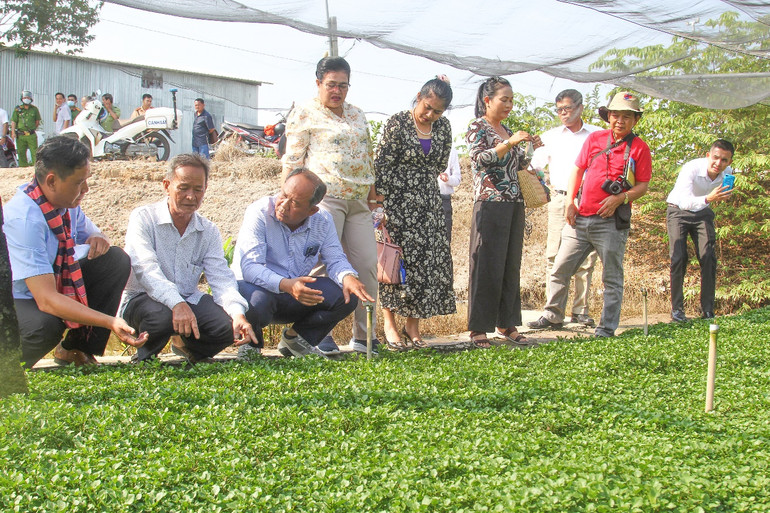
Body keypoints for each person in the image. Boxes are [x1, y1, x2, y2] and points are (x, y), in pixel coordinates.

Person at [2, 136, 147, 368]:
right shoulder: (25, 219)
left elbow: (96, 236)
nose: (86, 189)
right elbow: (47, 299)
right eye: (80, 182)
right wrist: (109, 321)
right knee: (44, 327)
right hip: (16, 297)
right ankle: (8, 369)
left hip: (47, 285)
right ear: (52, 181)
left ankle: (76, 349)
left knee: (114, 260)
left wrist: (99, 238)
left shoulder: (64, 206)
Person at [528, 91, 652, 337]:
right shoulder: (595, 139)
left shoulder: (639, 148)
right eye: (616, 115)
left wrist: (620, 198)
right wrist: (571, 202)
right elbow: (578, 170)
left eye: (627, 116)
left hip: (611, 223)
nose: (620, 121)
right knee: (560, 267)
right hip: (580, 218)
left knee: (611, 276)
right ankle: (553, 315)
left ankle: (606, 327)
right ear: (609, 117)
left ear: (635, 120)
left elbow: (643, 186)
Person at [281, 56, 379, 355]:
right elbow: (293, 159)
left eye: (343, 85)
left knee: (366, 265)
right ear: (319, 83)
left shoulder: (357, 114)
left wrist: (373, 194)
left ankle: (365, 337)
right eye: (331, 85)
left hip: (358, 200)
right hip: (324, 200)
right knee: (323, 266)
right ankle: (317, 333)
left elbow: (367, 155)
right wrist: (287, 199)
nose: (337, 91)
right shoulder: (305, 113)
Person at [121, 153, 257, 364]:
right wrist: (176, 303)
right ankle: (145, 358)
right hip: (141, 298)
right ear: (167, 186)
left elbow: (221, 278)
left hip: (187, 298)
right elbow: (146, 270)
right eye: (183, 188)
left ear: (205, 189)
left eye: (198, 189)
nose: (191, 196)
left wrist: (238, 314)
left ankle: (186, 347)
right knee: (161, 317)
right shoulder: (144, 218)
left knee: (225, 327)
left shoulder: (208, 230)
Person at [233, 168, 374, 358]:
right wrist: (287, 285)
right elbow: (250, 268)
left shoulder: (322, 220)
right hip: (258, 289)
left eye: (295, 203)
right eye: (283, 195)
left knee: (346, 295)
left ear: (312, 210)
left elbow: (335, 259)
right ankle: (251, 345)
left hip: (295, 292)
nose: (283, 205)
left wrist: (348, 276)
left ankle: (296, 340)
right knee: (257, 302)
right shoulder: (258, 212)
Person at [374, 76, 456, 350]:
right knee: (394, 262)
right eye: (428, 107)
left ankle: (413, 325)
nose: (431, 114)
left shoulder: (443, 127)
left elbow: (441, 162)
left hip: (429, 203)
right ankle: (389, 323)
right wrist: (380, 205)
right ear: (419, 96)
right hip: (396, 203)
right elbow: (382, 164)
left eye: (438, 111)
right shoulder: (397, 122)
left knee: (425, 263)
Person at [465, 77, 542, 348]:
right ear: (487, 100)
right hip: (489, 203)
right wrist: (509, 142)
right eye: (504, 99)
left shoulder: (505, 128)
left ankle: (506, 323)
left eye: (511, 100)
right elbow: (479, 159)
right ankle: (478, 328)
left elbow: (520, 164)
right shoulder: (479, 127)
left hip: (514, 203)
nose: (508, 104)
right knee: (486, 265)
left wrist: (531, 146)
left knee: (510, 265)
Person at [531, 89, 601, 327]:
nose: (563, 113)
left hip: (589, 200)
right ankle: (553, 313)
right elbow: (535, 166)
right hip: (560, 199)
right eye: (559, 109)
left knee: (585, 258)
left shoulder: (598, 134)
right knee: (554, 255)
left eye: (567, 108)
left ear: (581, 107)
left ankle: (580, 311)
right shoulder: (550, 136)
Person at [666, 139, 735, 322]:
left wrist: (723, 196)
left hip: (703, 212)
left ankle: (707, 310)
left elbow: (718, 197)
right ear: (708, 156)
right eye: (715, 158)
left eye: (724, 160)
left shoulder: (727, 173)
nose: (718, 164)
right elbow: (685, 202)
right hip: (678, 210)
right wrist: (709, 198)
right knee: (679, 257)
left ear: (730, 162)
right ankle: (677, 310)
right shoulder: (691, 169)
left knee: (708, 257)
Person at [10, 90, 42, 167]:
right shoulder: (18, 109)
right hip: (21, 135)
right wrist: (13, 132)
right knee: (21, 152)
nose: (26, 99)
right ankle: (23, 167)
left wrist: (32, 129)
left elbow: (37, 121)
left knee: (34, 152)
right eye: (25, 97)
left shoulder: (34, 109)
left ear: (31, 99)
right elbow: (14, 121)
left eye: (28, 97)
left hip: (31, 135)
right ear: (22, 98)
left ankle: (35, 167)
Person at [438, 146, 461, 244]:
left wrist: (448, 179)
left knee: (444, 242)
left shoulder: (450, 149)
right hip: (423, 200)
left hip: (444, 200)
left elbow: (457, 179)